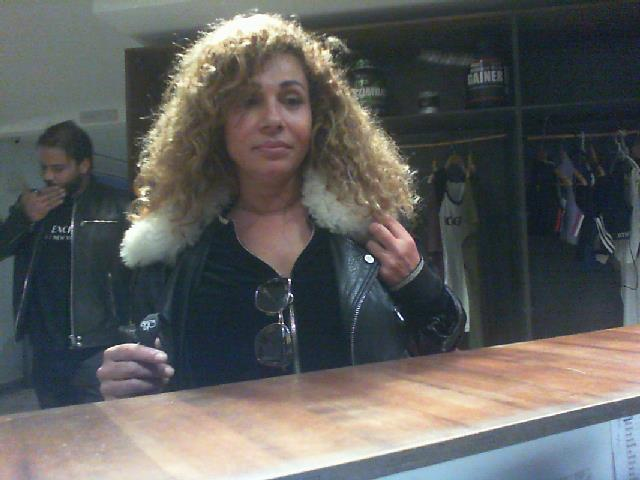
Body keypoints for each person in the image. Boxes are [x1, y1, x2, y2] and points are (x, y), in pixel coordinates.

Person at [97, 13, 465, 399]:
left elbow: (445, 338)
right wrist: (124, 380)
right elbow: (145, 375)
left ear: (316, 117)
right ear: (214, 120)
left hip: (361, 435)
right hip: (226, 440)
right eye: (248, 101)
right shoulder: (173, 250)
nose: (273, 119)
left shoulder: (368, 232)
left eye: (291, 100)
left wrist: (417, 282)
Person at [0, 120, 131, 408]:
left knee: (102, 423)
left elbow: (139, 274)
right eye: (44, 168)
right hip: (45, 346)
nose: (48, 176)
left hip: (97, 342)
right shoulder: (32, 205)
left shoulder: (117, 205)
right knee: (53, 424)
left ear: (84, 165)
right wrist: (24, 218)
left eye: (58, 169)